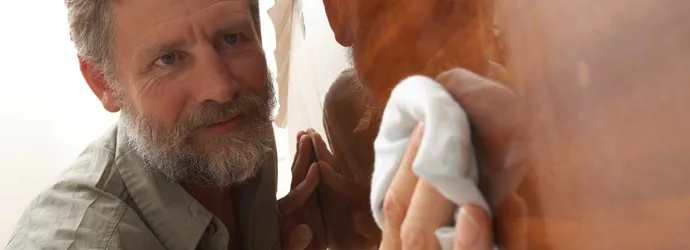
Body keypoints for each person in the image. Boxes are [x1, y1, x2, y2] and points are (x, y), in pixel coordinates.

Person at [4, 0, 383, 249]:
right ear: (104, 83)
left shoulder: (233, 132)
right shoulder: (88, 242)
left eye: (232, 38)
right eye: (168, 59)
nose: (220, 87)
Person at [319, 0, 512, 249]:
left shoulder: (529, 109)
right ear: (336, 12)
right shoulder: (345, 115)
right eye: (384, 8)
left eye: (450, 7)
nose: (432, 46)